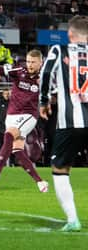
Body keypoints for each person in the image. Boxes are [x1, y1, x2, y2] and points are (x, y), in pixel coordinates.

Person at [39, 15, 88, 232]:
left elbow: (46, 73)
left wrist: (44, 100)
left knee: (60, 169)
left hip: (70, 122)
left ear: (69, 34)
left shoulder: (60, 50)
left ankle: (73, 220)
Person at [0, 50, 47, 192]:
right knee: (17, 150)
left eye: (33, 62)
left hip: (29, 115)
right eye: (28, 61)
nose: (30, 65)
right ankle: (40, 181)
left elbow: (55, 91)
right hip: (12, 114)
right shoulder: (20, 71)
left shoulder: (45, 77)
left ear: (40, 63)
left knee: (9, 135)